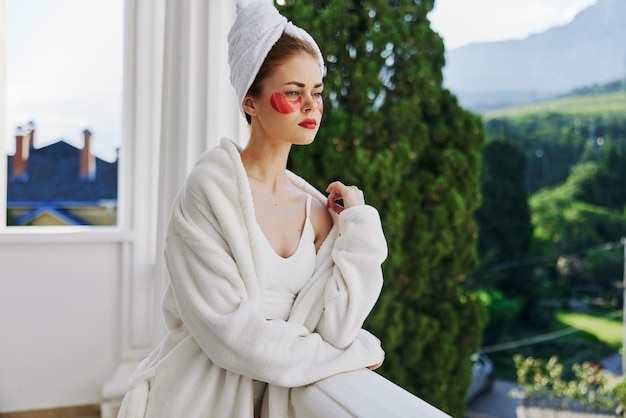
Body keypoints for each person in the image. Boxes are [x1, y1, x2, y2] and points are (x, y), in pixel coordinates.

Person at [118, 1, 387, 417]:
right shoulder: (208, 194)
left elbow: (338, 327)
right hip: (193, 403)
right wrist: (353, 354)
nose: (311, 108)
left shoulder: (319, 214)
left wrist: (360, 224)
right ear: (250, 102)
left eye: (316, 93)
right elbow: (232, 337)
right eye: (293, 93)